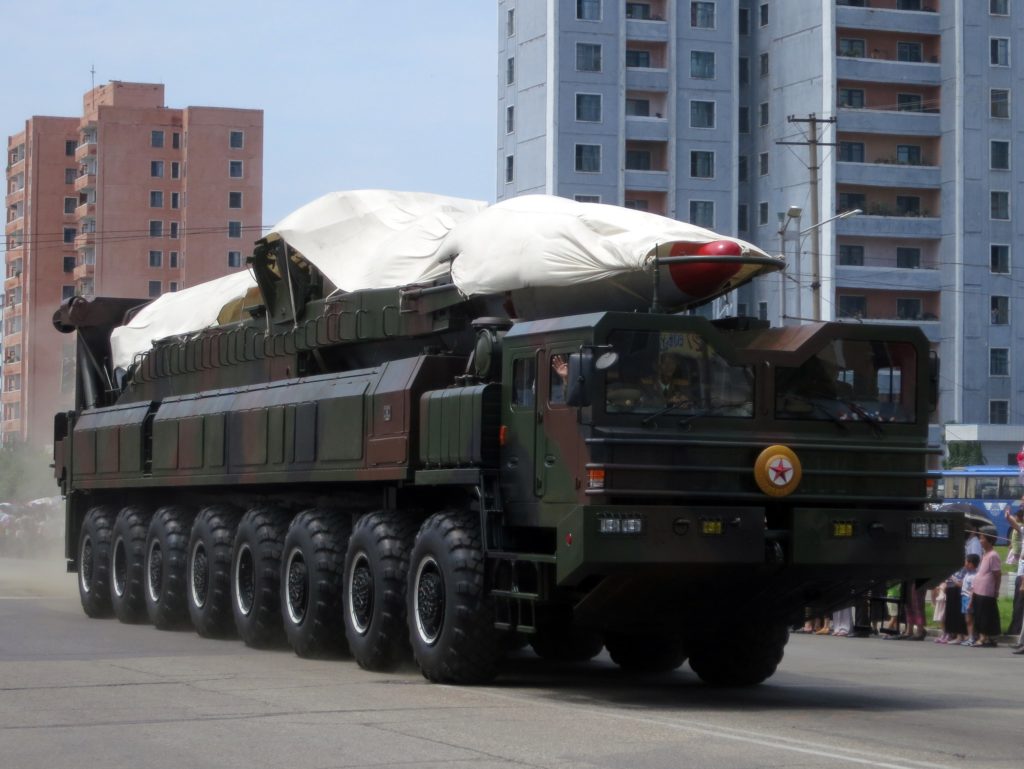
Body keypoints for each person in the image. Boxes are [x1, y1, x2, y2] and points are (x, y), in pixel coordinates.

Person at [969, 527, 1001, 648]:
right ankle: (983, 636)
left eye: (982, 538)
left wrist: (996, 590)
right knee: (980, 614)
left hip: (987, 591)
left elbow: (997, 575)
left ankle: (984, 638)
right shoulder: (985, 554)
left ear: (989, 540)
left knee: (985, 615)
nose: (980, 540)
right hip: (979, 590)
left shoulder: (993, 555)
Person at [959, 553, 980, 646]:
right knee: (967, 619)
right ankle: (969, 636)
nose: (965, 564)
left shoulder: (974, 576)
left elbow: (972, 591)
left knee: (969, 619)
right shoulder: (967, 574)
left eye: (967, 562)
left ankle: (972, 637)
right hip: (964, 597)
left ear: (971, 564)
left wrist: (970, 603)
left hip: (968, 599)